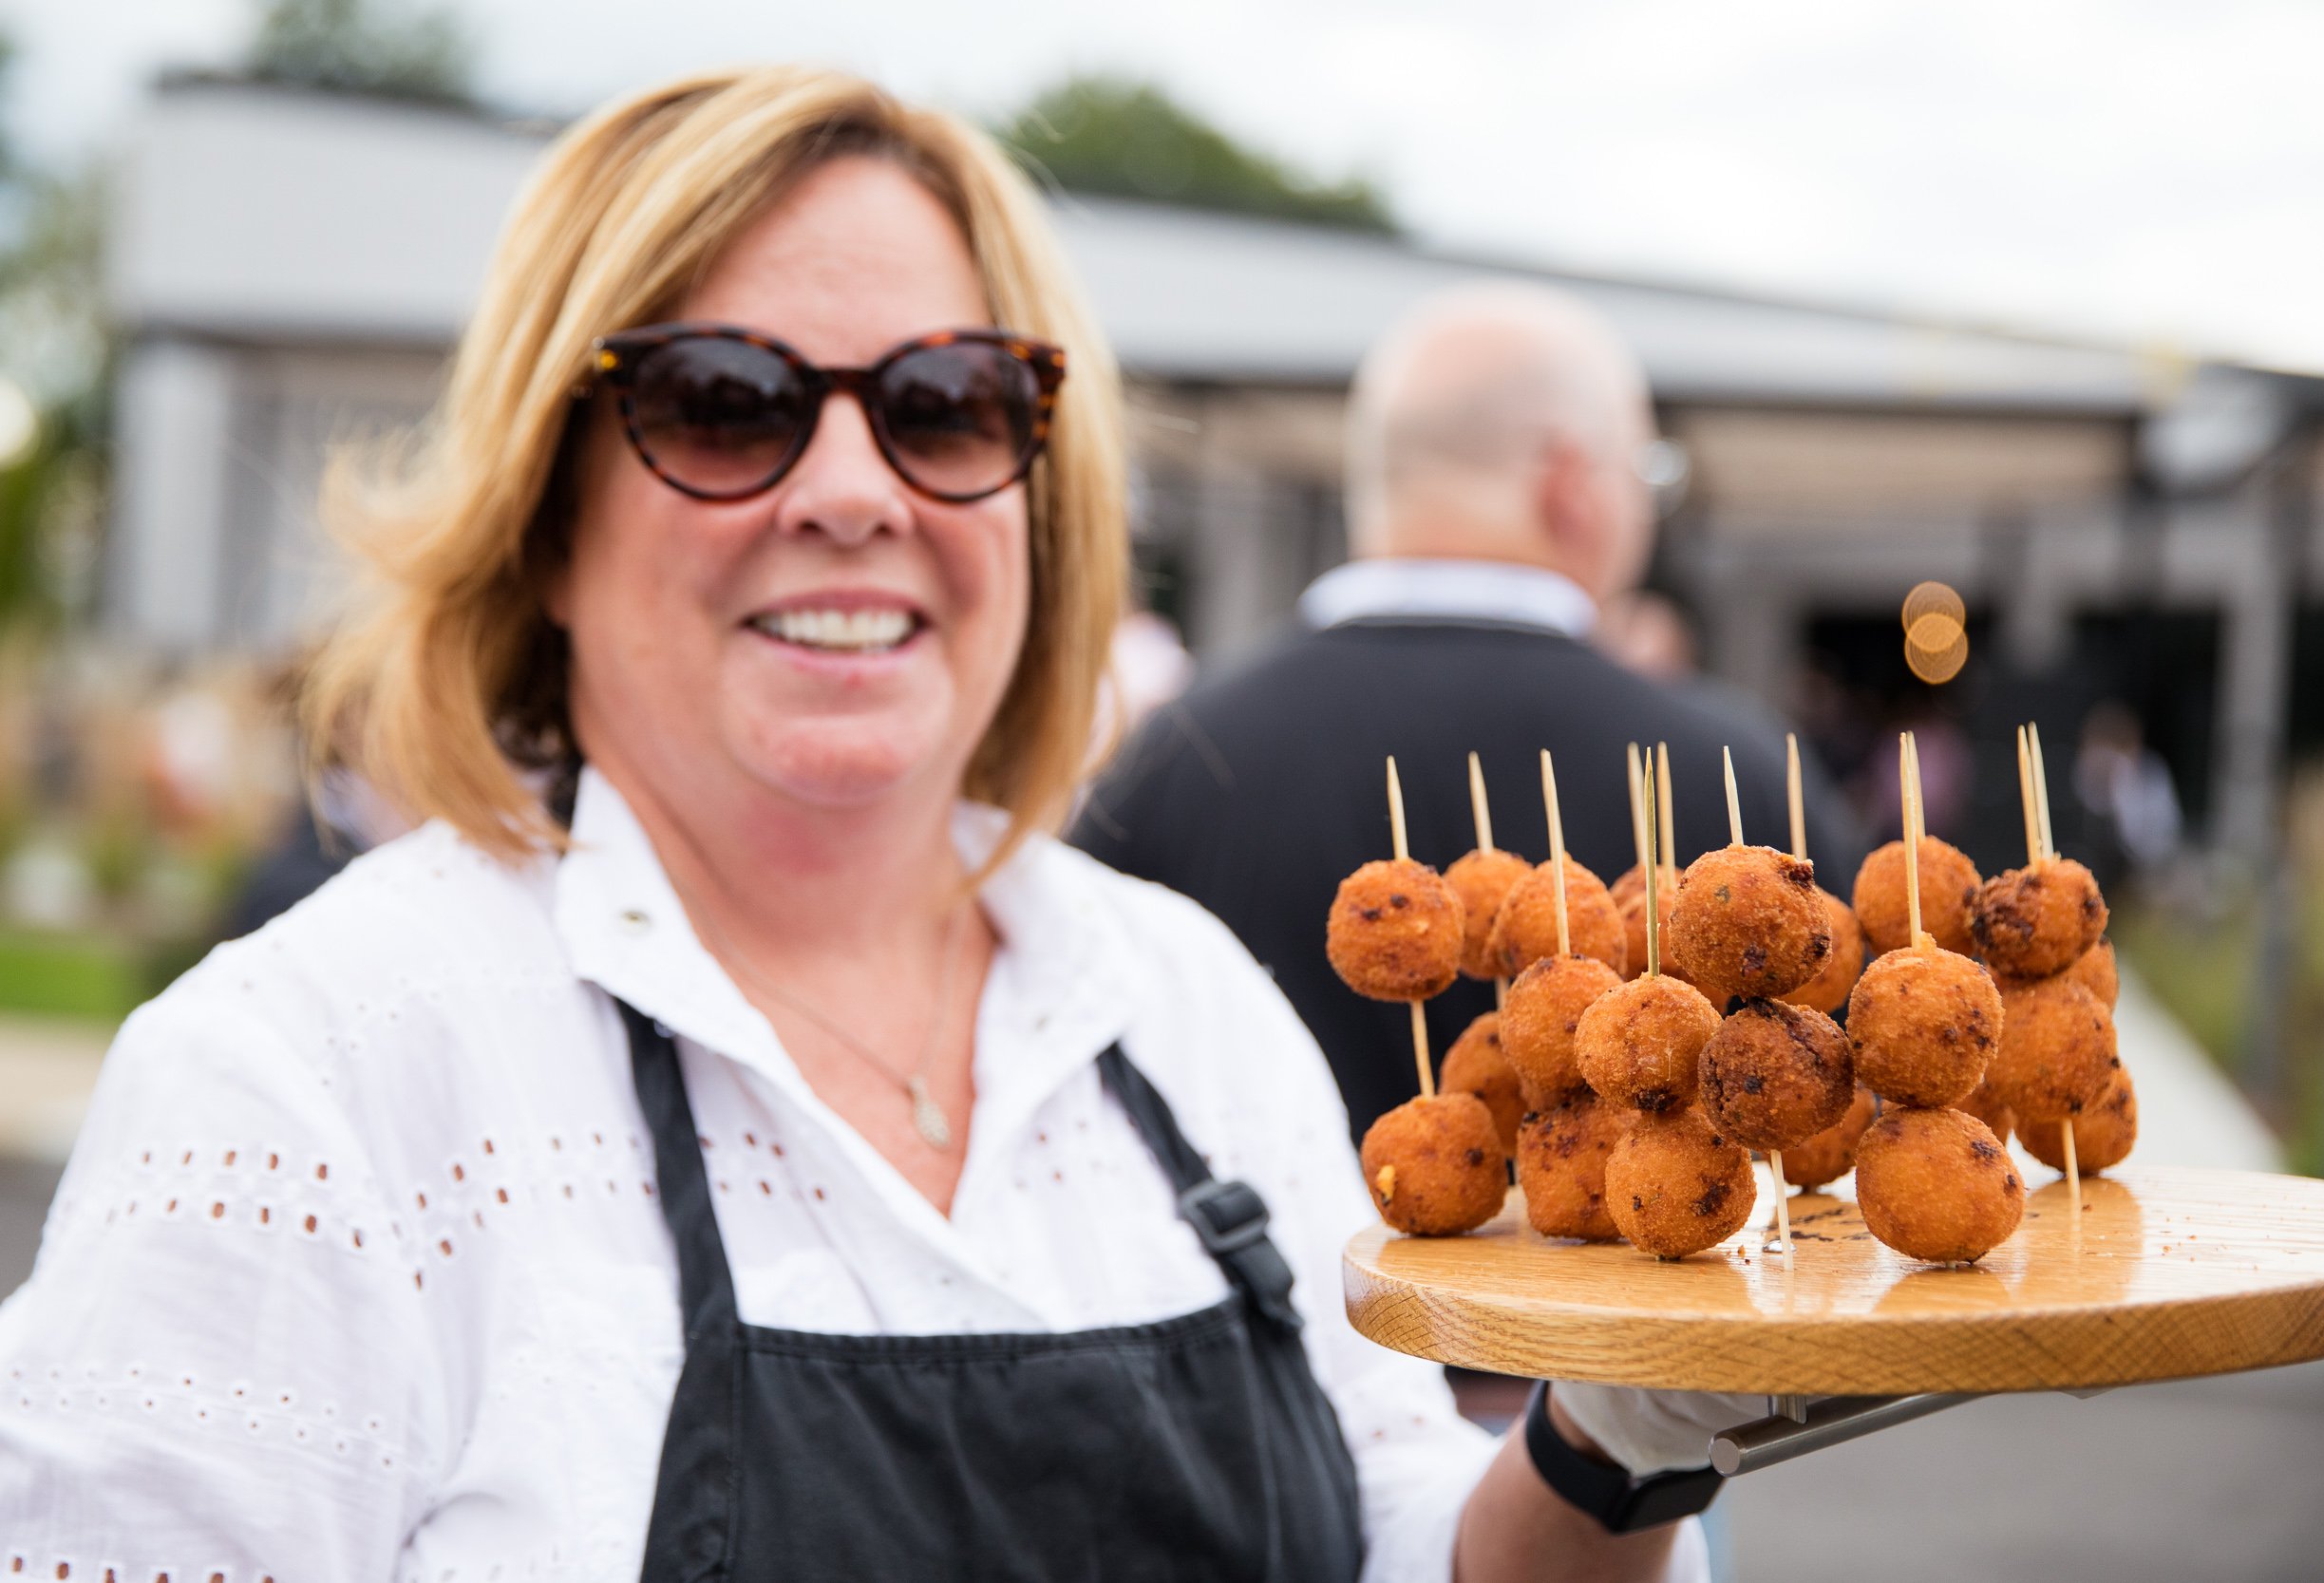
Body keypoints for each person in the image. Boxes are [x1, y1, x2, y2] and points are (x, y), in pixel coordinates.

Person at [0, 67, 1747, 1580]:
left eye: (945, 404)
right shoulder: (305, 1085)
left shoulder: (1181, 1001)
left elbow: (1401, 1538)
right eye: (721, 402)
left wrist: (1617, 1431)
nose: (853, 492)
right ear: (544, 510)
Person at [1075, 282, 1863, 1143]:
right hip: (1648, 1271)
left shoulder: (1162, 759)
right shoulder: (1742, 774)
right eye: (1647, 476)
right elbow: (1843, 1086)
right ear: (1573, 487)